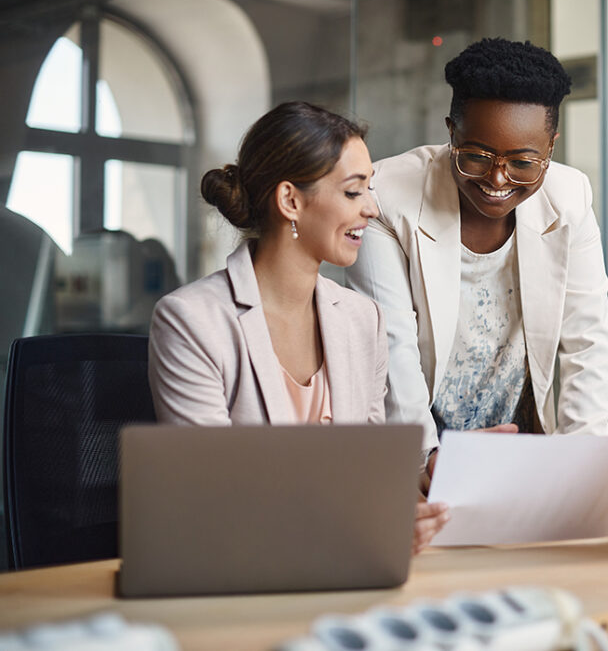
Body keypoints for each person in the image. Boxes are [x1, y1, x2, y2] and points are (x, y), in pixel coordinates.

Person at [148, 101, 447, 552]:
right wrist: (362, 527)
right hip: (240, 577)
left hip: (347, 572)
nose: (371, 209)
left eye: (370, 190)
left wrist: (442, 475)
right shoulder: (192, 322)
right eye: (353, 192)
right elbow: (211, 501)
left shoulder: (362, 320)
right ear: (290, 200)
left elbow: (366, 482)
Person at [346, 38, 608, 463]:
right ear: (451, 132)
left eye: (524, 162)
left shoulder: (570, 196)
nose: (497, 178)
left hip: (521, 447)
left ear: (551, 147)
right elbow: (391, 347)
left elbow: (588, 343)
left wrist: (580, 463)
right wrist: (425, 457)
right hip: (417, 447)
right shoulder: (385, 196)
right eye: (475, 156)